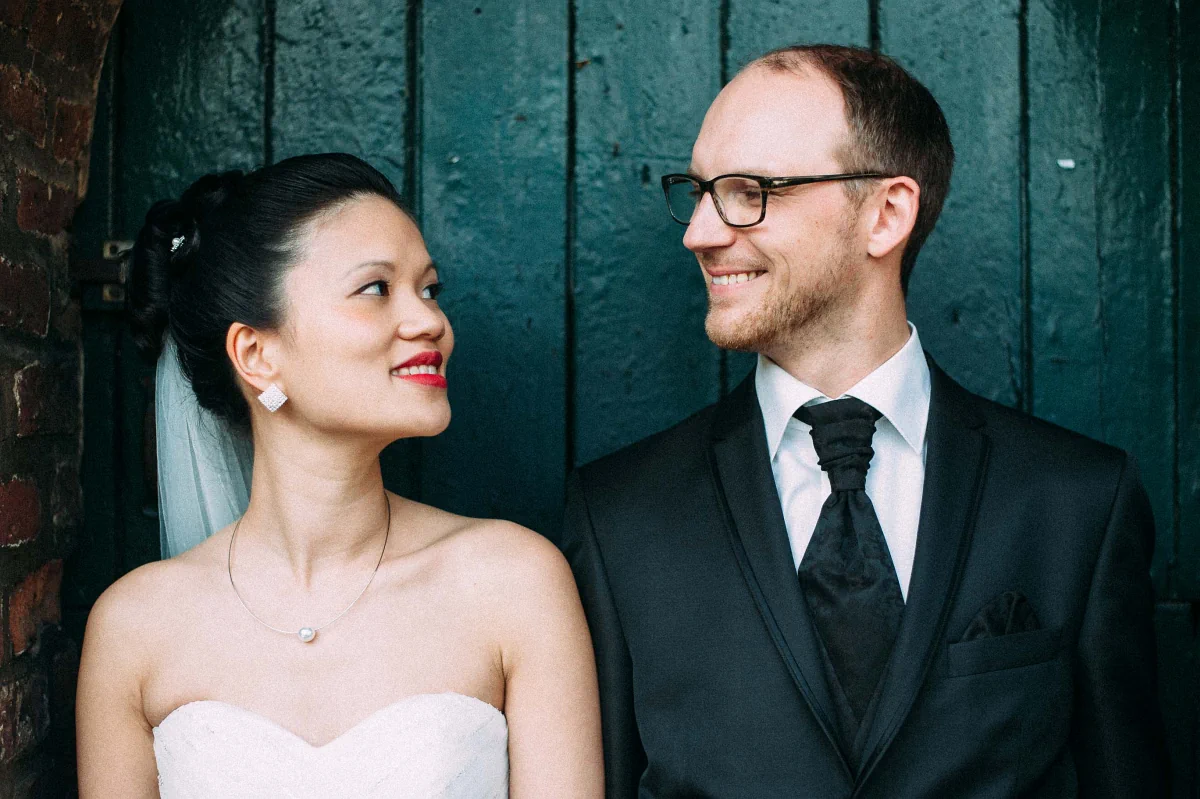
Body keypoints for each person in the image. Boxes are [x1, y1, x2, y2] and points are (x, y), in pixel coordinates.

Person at [559, 44, 1167, 797]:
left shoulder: (1079, 501)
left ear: (887, 214)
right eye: (700, 191)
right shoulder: (617, 514)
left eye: (751, 191)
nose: (700, 233)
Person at [76, 153, 603, 798]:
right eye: (375, 288)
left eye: (429, 290)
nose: (431, 322)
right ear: (256, 354)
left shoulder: (514, 581)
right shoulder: (133, 627)